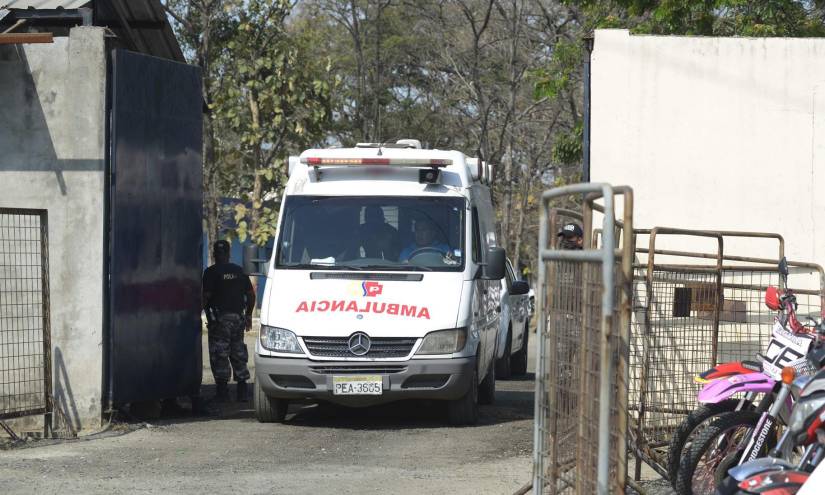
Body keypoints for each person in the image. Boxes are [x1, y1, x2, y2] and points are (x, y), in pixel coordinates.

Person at [203, 240, 256, 402]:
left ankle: (222, 392)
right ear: (228, 253)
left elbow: (206, 296)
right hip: (238, 319)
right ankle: (242, 391)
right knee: (238, 351)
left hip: (220, 320)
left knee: (220, 354)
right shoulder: (239, 271)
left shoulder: (211, 272)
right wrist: (248, 315)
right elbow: (251, 295)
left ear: (214, 254)